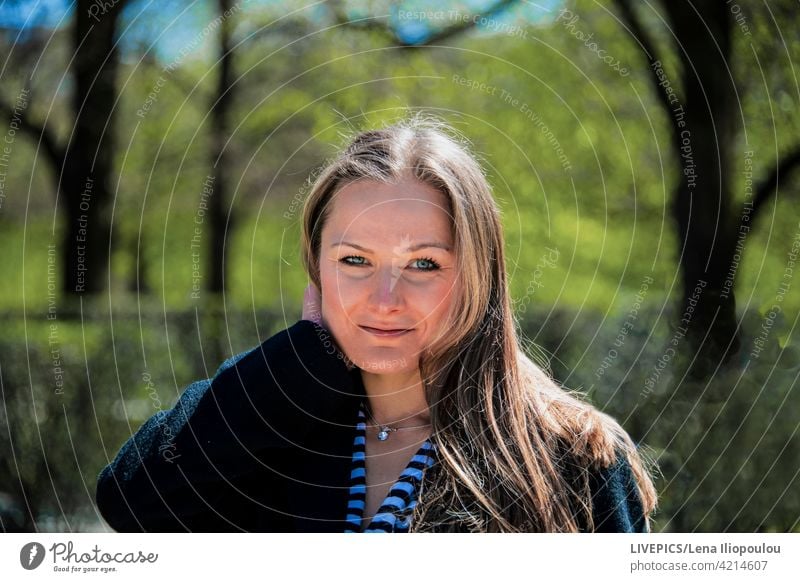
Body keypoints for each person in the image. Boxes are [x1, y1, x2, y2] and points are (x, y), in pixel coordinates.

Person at [96, 116, 657, 533]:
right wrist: (307, 357)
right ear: (316, 268)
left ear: (478, 276)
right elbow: (133, 505)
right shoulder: (271, 425)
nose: (385, 299)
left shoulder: (574, 456)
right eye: (354, 261)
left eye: (423, 264)